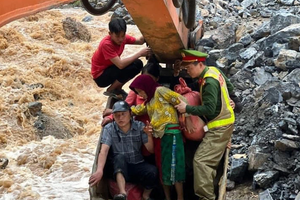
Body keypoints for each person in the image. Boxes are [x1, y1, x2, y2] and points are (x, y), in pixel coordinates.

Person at [175, 49, 235, 200]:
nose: (188, 72)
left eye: (189, 68)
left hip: (220, 126)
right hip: (224, 122)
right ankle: (211, 189)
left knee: (201, 161)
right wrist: (229, 100)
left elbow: (208, 108)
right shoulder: (214, 71)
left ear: (199, 64)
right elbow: (230, 87)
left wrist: (186, 109)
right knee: (209, 161)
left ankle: (206, 197)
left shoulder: (208, 82)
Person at [129, 74, 194, 200]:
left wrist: (188, 118)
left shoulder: (160, 91)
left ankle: (180, 197)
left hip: (171, 134)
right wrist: (117, 113)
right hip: (159, 137)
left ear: (146, 86)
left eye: (140, 91)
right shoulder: (148, 102)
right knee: (162, 168)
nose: (140, 95)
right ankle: (167, 197)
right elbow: (137, 110)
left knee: (175, 166)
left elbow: (182, 101)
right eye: (138, 93)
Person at [89, 101, 157, 200]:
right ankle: (122, 193)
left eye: (123, 114)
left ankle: (145, 195)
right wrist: (99, 170)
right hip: (119, 168)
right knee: (119, 158)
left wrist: (149, 136)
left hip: (137, 164)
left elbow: (150, 150)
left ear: (130, 113)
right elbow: (103, 151)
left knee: (152, 171)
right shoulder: (109, 128)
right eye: (117, 115)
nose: (120, 118)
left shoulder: (139, 126)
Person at [91, 18, 151, 97]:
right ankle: (111, 90)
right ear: (110, 33)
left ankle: (118, 88)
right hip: (101, 77)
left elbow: (140, 41)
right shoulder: (106, 44)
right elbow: (120, 65)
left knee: (137, 64)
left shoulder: (123, 38)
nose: (121, 39)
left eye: (122, 36)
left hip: (111, 68)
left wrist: (149, 30)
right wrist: (140, 53)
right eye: (117, 36)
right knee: (132, 65)